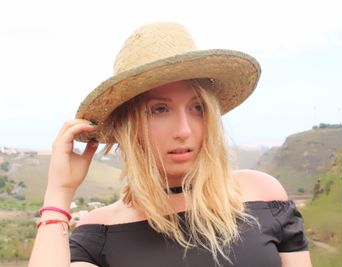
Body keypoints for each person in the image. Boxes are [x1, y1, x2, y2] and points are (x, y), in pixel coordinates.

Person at [28, 22, 312, 267]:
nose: (184, 130)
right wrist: (59, 193)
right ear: (129, 127)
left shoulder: (262, 195)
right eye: (159, 110)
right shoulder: (100, 231)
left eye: (197, 107)